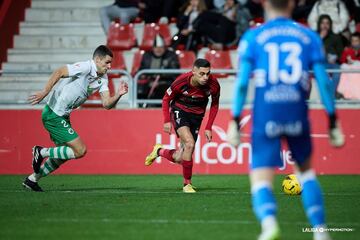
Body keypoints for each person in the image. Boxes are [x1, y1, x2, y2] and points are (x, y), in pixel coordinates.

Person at [226, 1, 345, 240]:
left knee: (260, 176)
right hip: (296, 112)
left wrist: (234, 119)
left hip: (266, 112)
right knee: (306, 173)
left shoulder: (253, 37)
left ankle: (269, 225)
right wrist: (332, 120)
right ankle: (320, 232)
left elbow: (241, 85)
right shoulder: (309, 36)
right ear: (292, 3)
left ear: (265, 3)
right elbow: (324, 83)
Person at [23, 45, 129, 192]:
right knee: (80, 150)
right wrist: (45, 91)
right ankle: (41, 152)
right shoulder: (85, 67)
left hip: (63, 116)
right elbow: (60, 71)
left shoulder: (102, 78)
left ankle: (32, 179)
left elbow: (106, 104)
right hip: (53, 113)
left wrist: (118, 94)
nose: (109, 66)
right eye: (107, 62)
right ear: (97, 60)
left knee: (65, 154)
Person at [145, 58, 220, 193]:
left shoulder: (213, 85)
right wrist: (166, 120)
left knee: (180, 157)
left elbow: (214, 105)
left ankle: (159, 151)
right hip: (180, 111)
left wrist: (208, 127)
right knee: (190, 144)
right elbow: (166, 99)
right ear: (193, 72)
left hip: (197, 117)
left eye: (208, 73)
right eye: (202, 74)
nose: (205, 77)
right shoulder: (181, 81)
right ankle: (187, 184)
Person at [137, 34, 180, 107]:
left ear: (164, 48)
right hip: (149, 82)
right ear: (153, 48)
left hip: (166, 82)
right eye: (156, 48)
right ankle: (141, 106)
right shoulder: (147, 55)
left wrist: (160, 79)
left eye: (161, 48)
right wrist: (146, 77)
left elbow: (174, 72)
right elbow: (141, 69)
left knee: (163, 89)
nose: (158, 50)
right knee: (140, 87)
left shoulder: (171, 55)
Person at [317, 14, 344, 97]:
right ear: (319, 24)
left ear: (330, 25)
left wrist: (335, 58)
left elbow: (341, 53)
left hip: (331, 64)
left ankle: (331, 94)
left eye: (327, 23)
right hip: (317, 63)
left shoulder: (336, 37)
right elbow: (310, 51)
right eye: (322, 23)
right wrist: (320, 38)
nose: (325, 25)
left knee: (337, 68)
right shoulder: (314, 36)